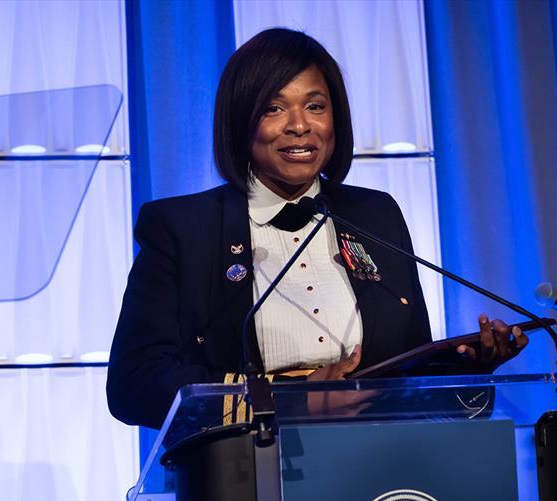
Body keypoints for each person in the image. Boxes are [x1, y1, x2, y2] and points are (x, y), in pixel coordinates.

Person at [107, 28, 528, 431]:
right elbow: (135, 385)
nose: (299, 125)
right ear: (240, 121)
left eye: (315, 106)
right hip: (241, 477)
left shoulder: (375, 215)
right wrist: (293, 400)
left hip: (380, 471)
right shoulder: (183, 229)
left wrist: (468, 365)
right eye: (274, 108)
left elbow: (409, 373)